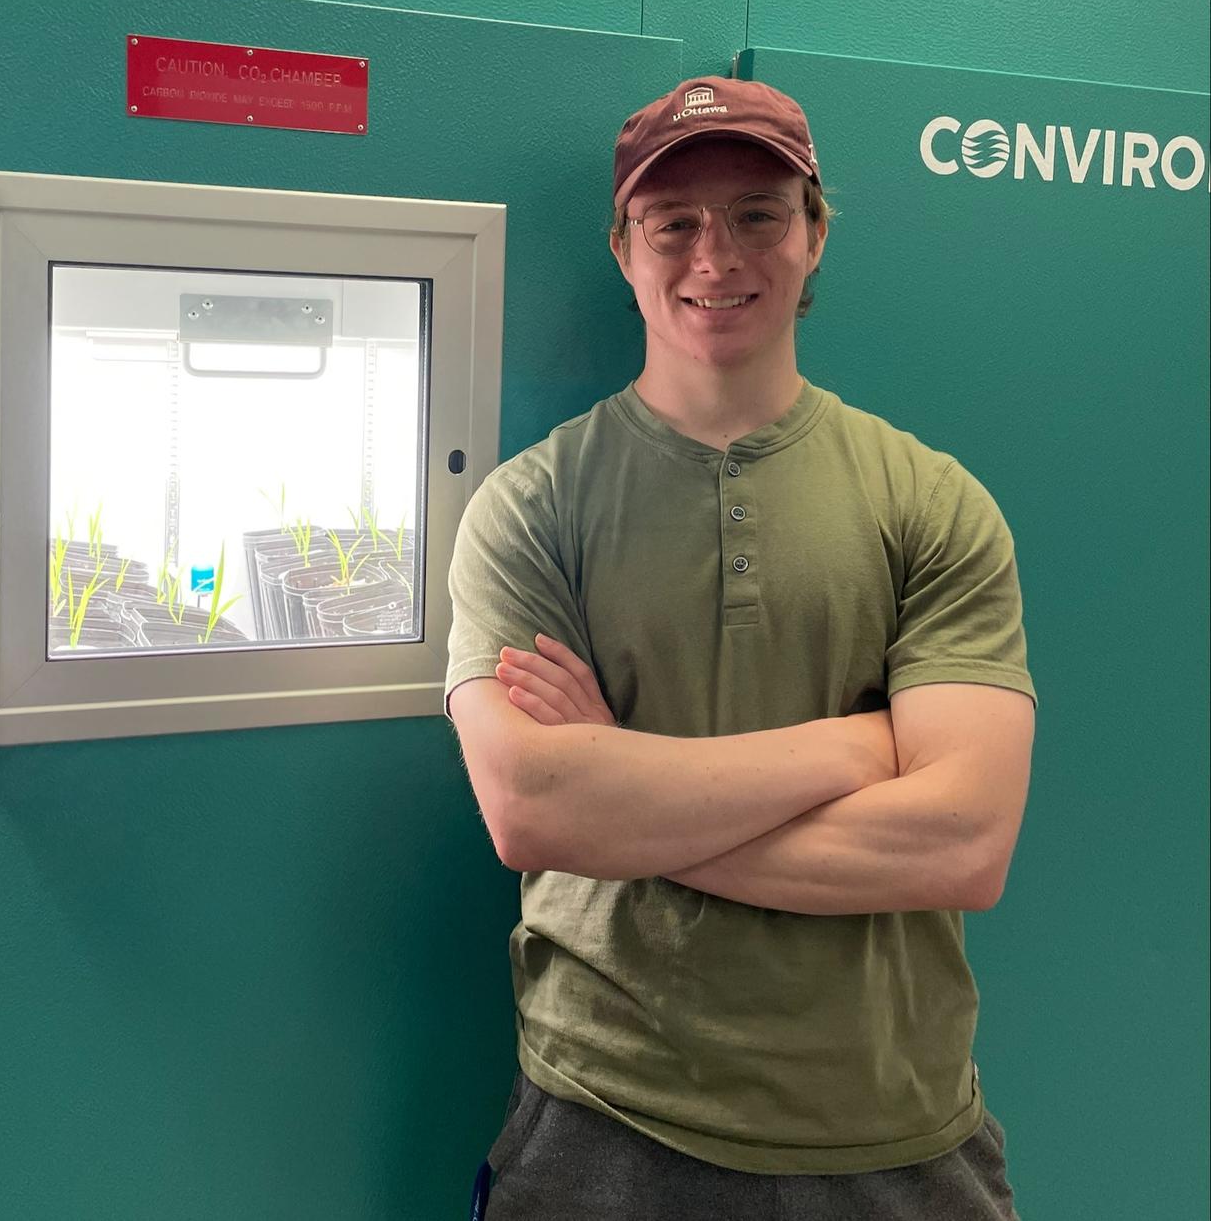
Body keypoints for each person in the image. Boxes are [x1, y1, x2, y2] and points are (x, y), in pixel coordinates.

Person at [444, 76, 1038, 1220]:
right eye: (675, 224)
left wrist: (628, 786)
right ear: (625, 248)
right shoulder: (532, 509)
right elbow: (536, 813)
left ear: (815, 233)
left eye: (758, 213)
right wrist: (860, 747)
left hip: (897, 1133)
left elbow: (966, 842)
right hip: (603, 1123)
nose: (716, 255)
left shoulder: (934, 504)